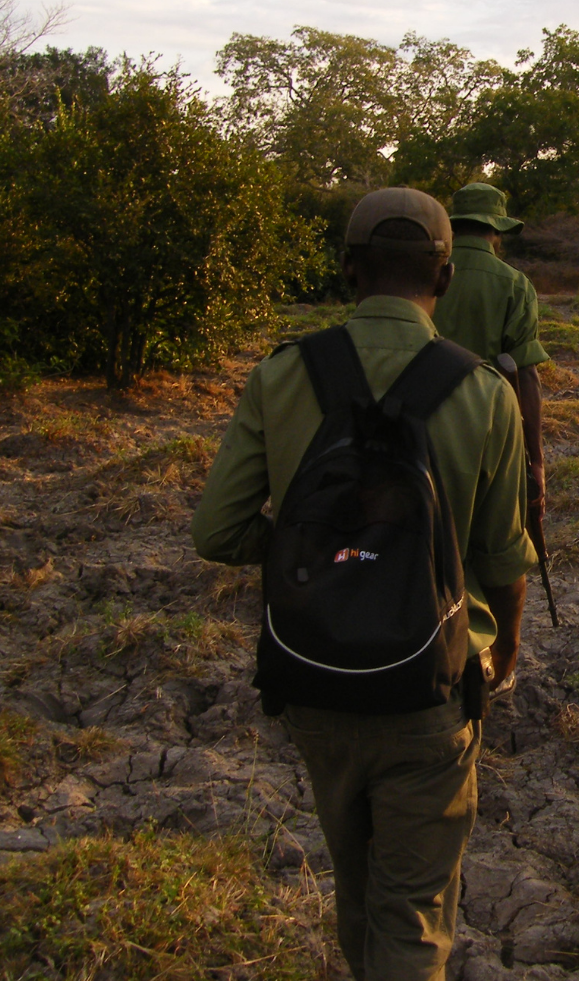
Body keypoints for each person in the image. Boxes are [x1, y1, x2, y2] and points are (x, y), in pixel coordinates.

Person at [191, 187, 537, 981]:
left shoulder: (283, 373)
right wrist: (504, 649)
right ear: (444, 278)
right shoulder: (484, 391)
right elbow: (502, 553)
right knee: (413, 912)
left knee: (356, 889)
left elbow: (216, 531)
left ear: (347, 269)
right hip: (432, 686)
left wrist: (320, 551)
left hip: (311, 678)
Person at [433, 182, 549, 522]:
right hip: (492, 430)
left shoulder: (428, 274)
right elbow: (525, 374)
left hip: (420, 428)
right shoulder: (514, 283)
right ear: (496, 229)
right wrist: (536, 461)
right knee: (498, 539)